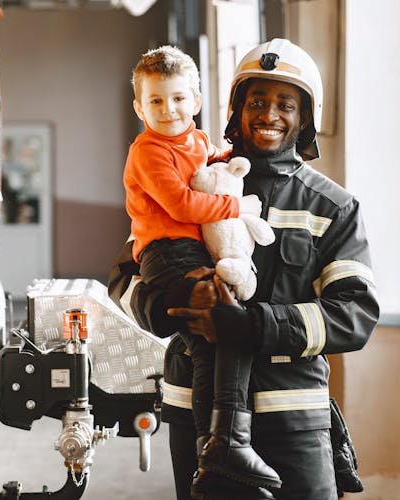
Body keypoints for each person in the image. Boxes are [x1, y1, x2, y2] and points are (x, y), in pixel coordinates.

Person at [109, 38, 379, 500]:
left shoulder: (333, 206)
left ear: (306, 117)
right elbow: (124, 281)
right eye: (256, 101)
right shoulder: (196, 179)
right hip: (197, 416)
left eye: (285, 104)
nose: (269, 114)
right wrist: (175, 301)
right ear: (236, 109)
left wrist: (256, 325)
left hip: (292, 416)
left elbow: (354, 313)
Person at [123, 45, 282, 493]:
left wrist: (234, 156)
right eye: (155, 101)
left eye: (177, 99)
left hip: (192, 249)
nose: (168, 110)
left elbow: (213, 158)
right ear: (139, 107)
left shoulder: (195, 140)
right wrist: (236, 203)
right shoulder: (148, 152)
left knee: (217, 335)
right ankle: (218, 445)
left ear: (195, 100)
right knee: (220, 325)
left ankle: (223, 443)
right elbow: (182, 204)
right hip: (167, 251)